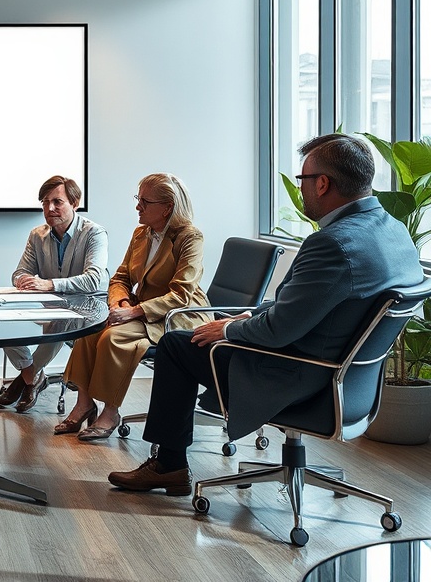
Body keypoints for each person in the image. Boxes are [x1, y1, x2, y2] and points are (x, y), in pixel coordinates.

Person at [108, 134, 424, 496]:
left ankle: (169, 465)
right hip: (351, 381)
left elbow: (276, 332)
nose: (301, 188)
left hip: (300, 375)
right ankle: (168, 463)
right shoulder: (393, 231)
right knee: (196, 337)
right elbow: (309, 307)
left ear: (322, 184)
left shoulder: (332, 243)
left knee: (178, 344)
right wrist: (249, 317)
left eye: (303, 180)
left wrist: (230, 328)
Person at [54, 173, 209, 441]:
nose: (138, 206)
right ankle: (84, 402)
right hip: (139, 308)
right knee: (89, 331)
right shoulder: (142, 233)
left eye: (145, 201)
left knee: (114, 338)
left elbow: (181, 294)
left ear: (167, 207)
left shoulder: (190, 238)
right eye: (138, 199)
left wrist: (134, 311)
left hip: (176, 316)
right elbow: (121, 277)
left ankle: (110, 412)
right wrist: (121, 301)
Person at [0, 176, 108, 413]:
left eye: (57, 202)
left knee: (60, 320)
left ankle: (26, 379)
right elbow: (20, 271)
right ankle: (31, 377)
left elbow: (93, 279)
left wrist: (48, 285)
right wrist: (22, 280)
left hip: (87, 309)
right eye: (45, 202)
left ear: (75, 203)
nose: (49, 209)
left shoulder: (94, 234)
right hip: (50, 305)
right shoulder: (38, 234)